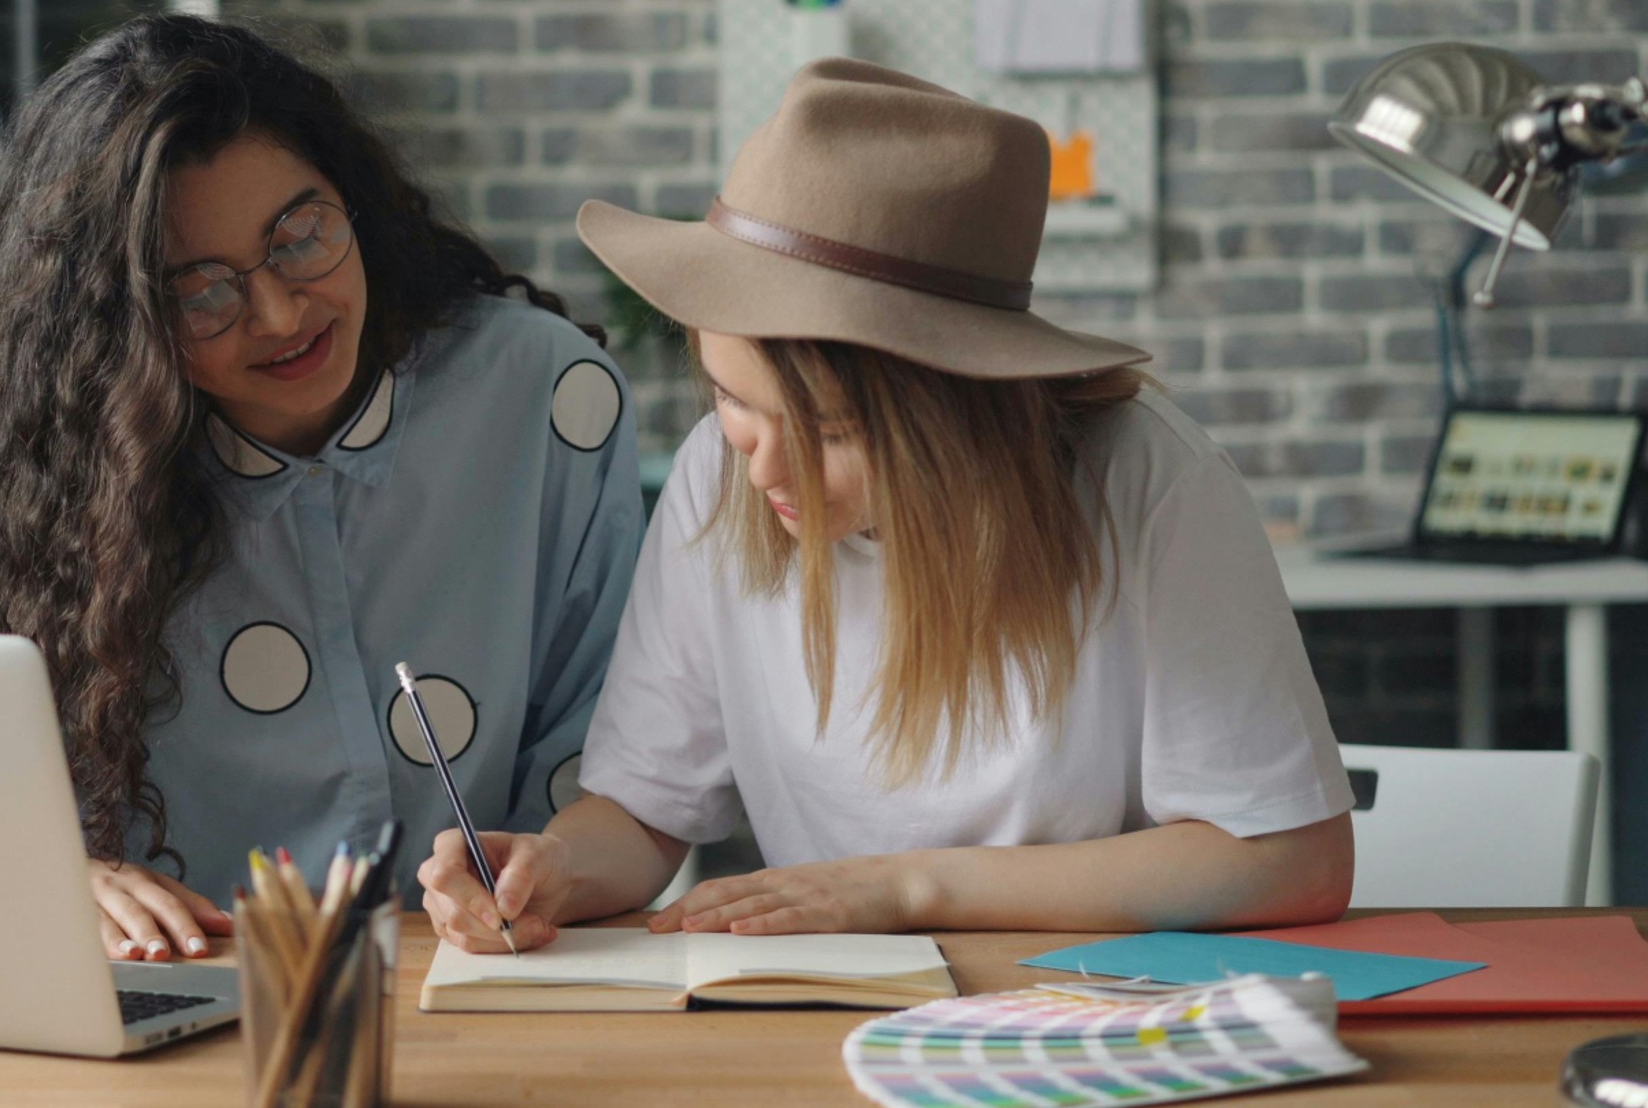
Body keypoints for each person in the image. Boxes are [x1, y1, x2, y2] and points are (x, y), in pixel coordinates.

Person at [420, 58, 1355, 951]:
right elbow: (645, 811)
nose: (761, 473)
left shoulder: (1148, 483)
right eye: (734, 398)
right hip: (823, 1014)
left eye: (829, 431)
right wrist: (553, 868)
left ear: (958, 413)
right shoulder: (715, 474)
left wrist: (905, 888)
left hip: (1085, 1014)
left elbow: (1291, 858)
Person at [0, 14, 641, 964]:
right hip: (173, 1000)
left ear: (354, 199)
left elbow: (624, 761)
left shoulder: (546, 396)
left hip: (488, 985)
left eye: (300, 236)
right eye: (200, 290)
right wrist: (51, 872)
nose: (280, 312)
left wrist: (547, 869)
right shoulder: (41, 466)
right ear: (114, 325)